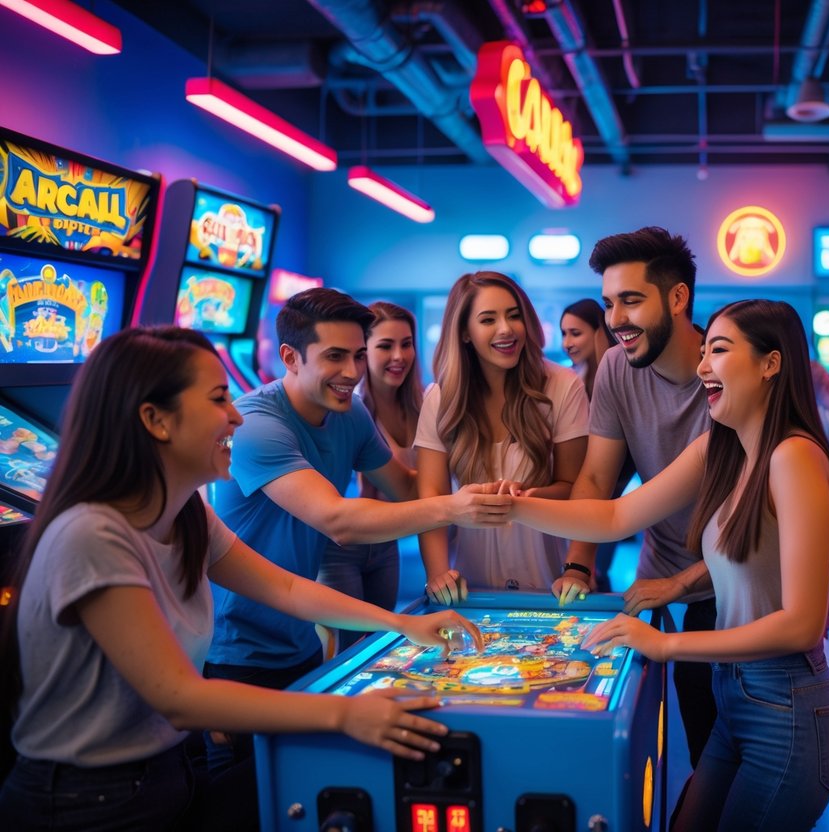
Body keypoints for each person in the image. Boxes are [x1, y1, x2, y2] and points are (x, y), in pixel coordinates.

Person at [0, 326, 485, 831]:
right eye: (217, 400)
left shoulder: (186, 512)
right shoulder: (91, 533)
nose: (235, 415)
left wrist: (398, 624)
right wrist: (345, 714)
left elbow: (287, 589)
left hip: (163, 769)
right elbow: (179, 697)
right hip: (85, 799)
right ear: (155, 420)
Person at [506, 300, 829, 830]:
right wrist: (510, 507)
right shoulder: (725, 448)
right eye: (705, 350)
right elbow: (617, 515)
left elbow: (802, 624)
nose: (703, 366)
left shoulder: (794, 456)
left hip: (788, 709)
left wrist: (666, 645)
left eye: (720, 350)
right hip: (734, 696)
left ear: (771, 363)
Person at [205, 288, 509, 774]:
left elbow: (407, 488)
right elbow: (338, 520)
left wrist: (474, 466)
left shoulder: (351, 413)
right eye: (334, 357)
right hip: (238, 654)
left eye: (355, 355)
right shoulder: (257, 424)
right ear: (290, 357)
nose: (351, 372)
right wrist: (454, 507)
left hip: (300, 640)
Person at [553, 227, 720, 773]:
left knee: (712, 721)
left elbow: (758, 526)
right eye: (608, 303)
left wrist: (678, 585)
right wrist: (579, 566)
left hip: (732, 571)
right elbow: (598, 479)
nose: (615, 319)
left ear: (677, 299)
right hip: (660, 563)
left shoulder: (726, 371)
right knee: (645, 708)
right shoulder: (616, 368)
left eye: (631, 300)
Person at [416, 272, 589, 603]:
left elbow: (578, 490)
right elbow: (431, 502)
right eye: (488, 319)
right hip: (471, 591)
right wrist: (438, 576)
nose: (506, 329)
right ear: (465, 332)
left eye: (514, 315)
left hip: (551, 586)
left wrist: (525, 499)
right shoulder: (440, 397)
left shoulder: (563, 386)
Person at [317, 301, 423, 654]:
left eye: (406, 344)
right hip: (341, 549)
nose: (398, 356)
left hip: (388, 542)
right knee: (347, 651)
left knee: (380, 648)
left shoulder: (421, 403)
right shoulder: (348, 407)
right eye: (384, 346)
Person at [560, 297, 633, 591]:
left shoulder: (617, 378)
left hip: (605, 500)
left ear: (599, 332)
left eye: (575, 333)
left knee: (595, 576)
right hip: (574, 502)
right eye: (563, 334)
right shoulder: (569, 379)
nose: (567, 342)